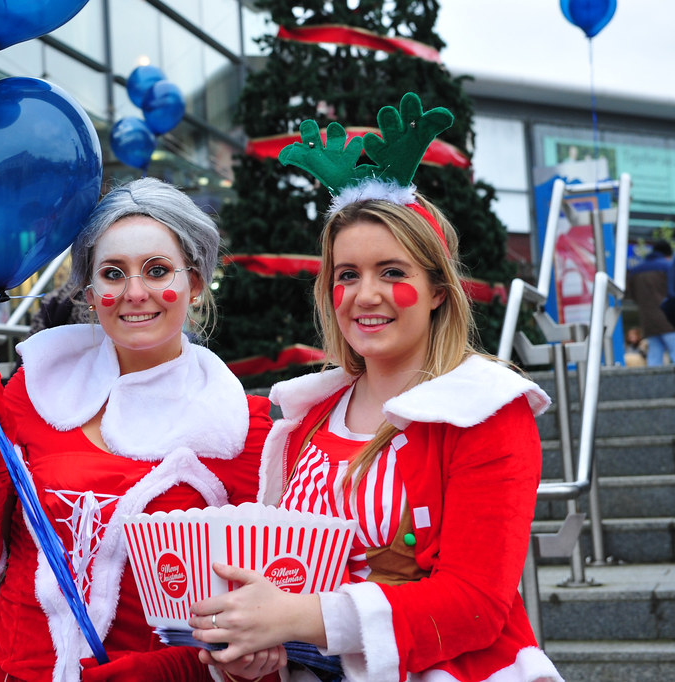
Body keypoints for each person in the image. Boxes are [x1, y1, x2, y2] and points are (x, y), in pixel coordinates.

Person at [189, 95, 564, 682]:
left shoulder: (486, 410)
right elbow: (285, 580)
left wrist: (298, 617)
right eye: (347, 275)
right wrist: (254, 649)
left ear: (439, 289)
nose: (366, 295)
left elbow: (475, 605)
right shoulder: (306, 417)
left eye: (393, 272)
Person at [0, 177, 277, 682]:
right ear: (91, 293)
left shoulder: (242, 429)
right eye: (113, 274)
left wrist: (162, 672)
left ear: (195, 283)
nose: (135, 293)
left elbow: (256, 619)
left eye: (157, 270)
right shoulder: (36, 392)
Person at [626, 240, 675, 365]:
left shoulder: (635, 271)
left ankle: (657, 385)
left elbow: (632, 296)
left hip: (648, 322)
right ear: (667, 254)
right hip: (669, 320)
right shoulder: (668, 266)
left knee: (654, 357)